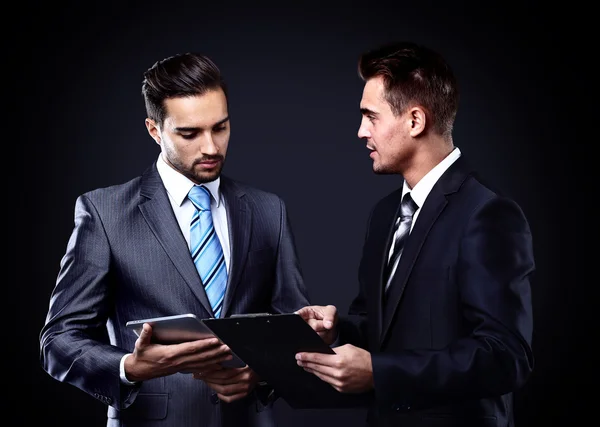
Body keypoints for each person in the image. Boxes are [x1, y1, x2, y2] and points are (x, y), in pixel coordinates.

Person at [39, 52, 310, 427]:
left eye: (221, 127)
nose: (212, 147)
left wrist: (262, 374)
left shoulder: (268, 210)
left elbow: (293, 327)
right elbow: (58, 340)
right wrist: (129, 367)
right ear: (154, 130)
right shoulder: (104, 212)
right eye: (189, 133)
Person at [295, 41, 535, 427]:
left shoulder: (488, 215)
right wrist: (337, 328)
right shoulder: (384, 214)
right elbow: (384, 329)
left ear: (415, 121)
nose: (360, 132)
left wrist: (380, 371)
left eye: (371, 117)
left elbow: (505, 357)